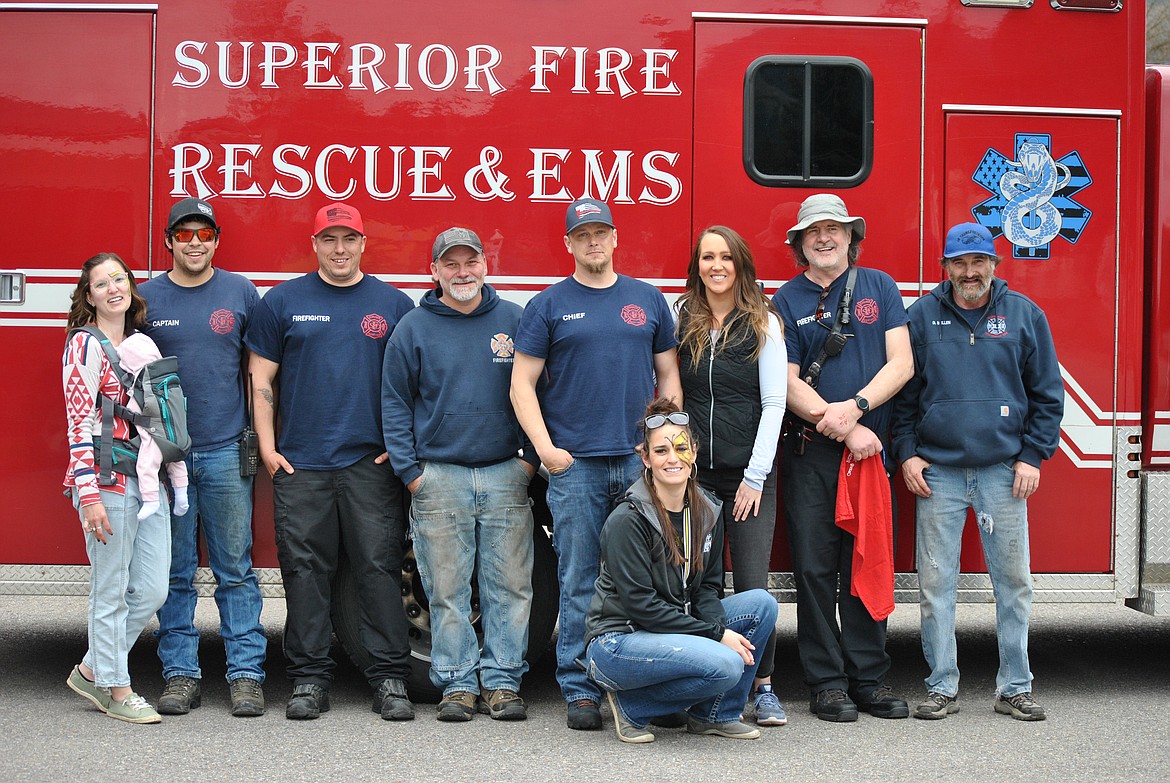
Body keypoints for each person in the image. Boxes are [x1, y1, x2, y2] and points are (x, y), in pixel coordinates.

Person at [511, 198, 682, 730]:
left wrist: (663, 444)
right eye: (582, 234)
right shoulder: (548, 305)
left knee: (651, 578)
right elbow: (521, 384)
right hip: (575, 467)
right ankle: (581, 687)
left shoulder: (648, 300)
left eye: (601, 232)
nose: (593, 242)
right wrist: (546, 451)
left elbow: (669, 378)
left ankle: (644, 684)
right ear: (568, 244)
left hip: (637, 467)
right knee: (579, 577)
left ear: (615, 238)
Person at [245, 202, 416, 721]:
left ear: (364, 244)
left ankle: (389, 679)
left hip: (370, 462)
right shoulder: (282, 302)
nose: (339, 250)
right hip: (301, 464)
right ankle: (308, 679)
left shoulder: (393, 305)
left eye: (348, 239)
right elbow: (260, 379)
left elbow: (415, 381)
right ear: (314, 245)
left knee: (378, 569)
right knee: (304, 572)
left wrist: (401, 444)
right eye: (328, 240)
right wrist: (269, 448)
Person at [892, 222, 1063, 722]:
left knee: (1013, 584)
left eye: (978, 262)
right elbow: (903, 398)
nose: (970, 272)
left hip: (1002, 472)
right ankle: (942, 686)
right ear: (944, 268)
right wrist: (906, 453)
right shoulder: (921, 317)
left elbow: (1048, 396)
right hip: (938, 473)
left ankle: (1014, 687)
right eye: (959, 263)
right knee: (935, 584)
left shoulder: (1024, 316)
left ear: (995, 264)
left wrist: (1032, 455)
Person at [382, 227, 537, 722]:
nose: (462, 272)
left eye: (470, 262)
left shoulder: (515, 320)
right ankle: (456, 685)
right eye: (451, 264)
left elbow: (541, 395)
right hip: (438, 477)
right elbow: (395, 402)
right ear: (434, 271)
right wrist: (412, 473)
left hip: (505, 474)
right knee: (445, 590)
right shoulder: (413, 328)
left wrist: (529, 461)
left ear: (484, 266)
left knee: (509, 587)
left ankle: (503, 682)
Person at [772, 194, 913, 722]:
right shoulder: (784, 299)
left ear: (852, 235)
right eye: (814, 232)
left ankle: (869, 680)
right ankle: (827, 684)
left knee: (866, 566)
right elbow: (784, 383)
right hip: (812, 456)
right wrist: (838, 428)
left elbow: (901, 364)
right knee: (813, 571)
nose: (824, 238)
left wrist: (855, 411)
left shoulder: (880, 287)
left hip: (870, 456)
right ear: (800, 242)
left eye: (834, 229)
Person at [584, 398, 778, 744]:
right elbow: (642, 608)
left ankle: (715, 713)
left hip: (670, 626)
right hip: (619, 640)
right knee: (726, 663)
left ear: (694, 452)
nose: (672, 458)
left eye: (680, 448)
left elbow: (708, 588)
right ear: (645, 458)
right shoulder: (628, 520)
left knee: (762, 605)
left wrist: (717, 627)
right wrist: (716, 636)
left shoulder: (709, 511)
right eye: (661, 451)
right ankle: (633, 706)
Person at [139, 197, 268, 717]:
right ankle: (180, 674)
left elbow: (259, 372)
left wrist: (261, 439)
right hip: (166, 455)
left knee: (235, 569)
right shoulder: (144, 298)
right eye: (184, 233)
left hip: (223, 452)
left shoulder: (240, 292)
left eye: (205, 233)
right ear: (169, 241)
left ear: (216, 240)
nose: (195, 242)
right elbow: (127, 378)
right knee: (175, 571)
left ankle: (246, 676)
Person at [675, 226, 787, 726]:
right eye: (706, 258)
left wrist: (755, 475)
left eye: (725, 257)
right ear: (697, 265)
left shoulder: (765, 323)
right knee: (699, 580)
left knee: (751, 583)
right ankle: (707, 682)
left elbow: (774, 403)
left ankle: (761, 687)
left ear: (740, 264)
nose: (715, 266)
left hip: (749, 475)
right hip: (694, 478)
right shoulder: (683, 319)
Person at [62, 252, 171, 724]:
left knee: (151, 590)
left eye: (120, 279)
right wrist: (88, 498)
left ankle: (92, 667)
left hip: (146, 483)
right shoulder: (82, 347)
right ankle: (116, 688)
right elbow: (79, 425)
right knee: (110, 589)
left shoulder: (141, 344)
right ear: (89, 297)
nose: (113, 288)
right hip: (104, 481)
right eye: (102, 283)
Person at [115, 332, 190, 522]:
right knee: (176, 460)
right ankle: (182, 496)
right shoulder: (167, 377)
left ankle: (150, 500)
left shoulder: (144, 385)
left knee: (147, 464)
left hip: (154, 436)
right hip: (176, 434)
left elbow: (134, 410)